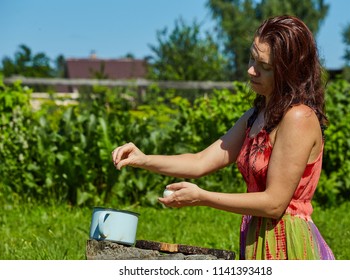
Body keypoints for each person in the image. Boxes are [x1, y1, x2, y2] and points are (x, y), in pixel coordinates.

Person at [112, 15, 335, 260]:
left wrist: (202, 197)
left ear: (289, 72)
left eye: (265, 67)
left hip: (288, 244)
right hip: (256, 237)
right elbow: (200, 161)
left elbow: (274, 204)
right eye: (252, 57)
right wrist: (142, 159)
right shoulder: (256, 115)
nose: (251, 70)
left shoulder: (298, 118)